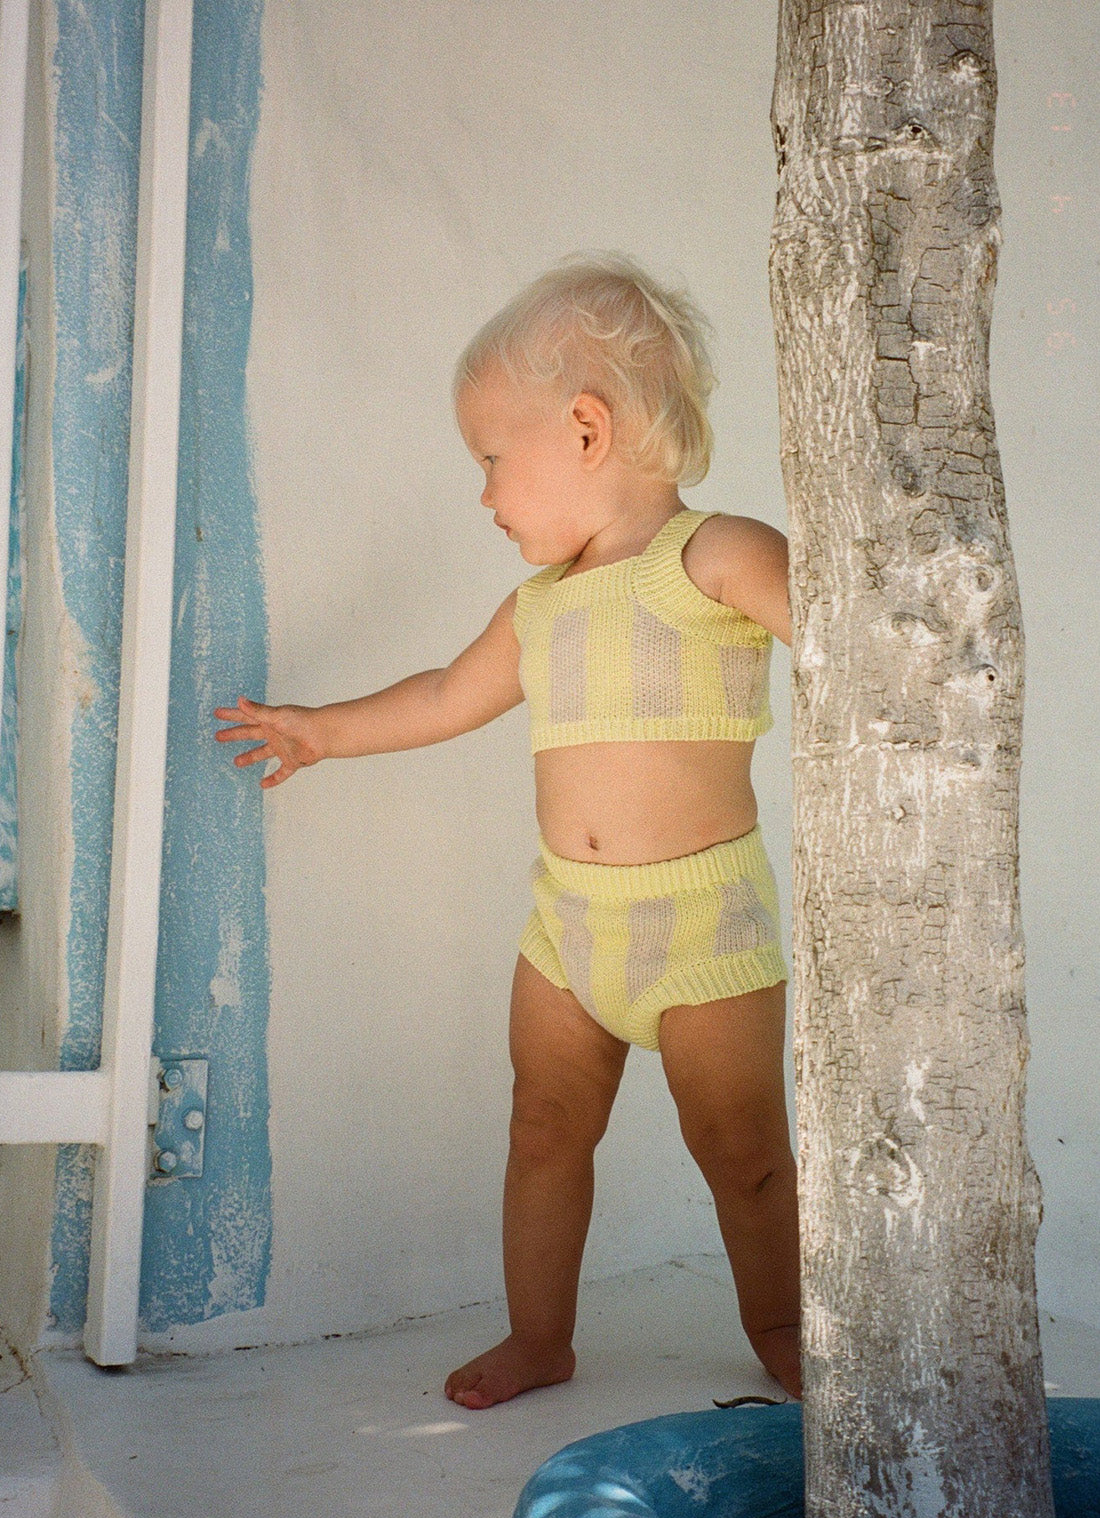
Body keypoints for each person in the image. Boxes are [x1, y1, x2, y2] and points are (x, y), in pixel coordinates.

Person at [215, 254, 800, 1407]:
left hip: (703, 928)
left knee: (741, 1153)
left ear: (586, 428)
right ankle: (540, 1336)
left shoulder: (716, 557)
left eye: (490, 461)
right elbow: (442, 694)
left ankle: (781, 1324)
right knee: (541, 1126)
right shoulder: (536, 607)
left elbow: (843, 642)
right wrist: (320, 732)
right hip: (566, 930)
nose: (483, 495)